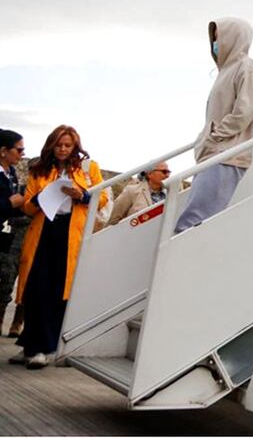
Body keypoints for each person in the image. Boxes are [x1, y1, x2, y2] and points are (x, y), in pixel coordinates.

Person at [12, 125, 106, 369]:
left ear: (75, 147)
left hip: (69, 232)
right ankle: (30, 344)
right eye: (59, 145)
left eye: (68, 145)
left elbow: (102, 196)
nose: (63, 149)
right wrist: (42, 196)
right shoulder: (39, 169)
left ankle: (43, 348)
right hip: (44, 230)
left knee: (56, 290)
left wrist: (81, 195)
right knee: (35, 288)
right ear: (51, 145)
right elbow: (28, 207)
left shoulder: (87, 168)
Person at [174, 18, 253, 234]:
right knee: (194, 220)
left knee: (193, 223)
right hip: (212, 152)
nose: (215, 43)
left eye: (219, 38)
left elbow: (245, 110)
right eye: (214, 39)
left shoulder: (247, 67)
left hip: (225, 153)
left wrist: (216, 135)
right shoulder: (225, 71)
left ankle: (184, 264)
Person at [0, 129, 28, 338]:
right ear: (3, 151)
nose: (22, 154)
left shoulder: (10, 174)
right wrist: (8, 203)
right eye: (19, 149)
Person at [106, 161, 169, 226]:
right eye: (164, 172)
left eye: (168, 172)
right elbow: (113, 220)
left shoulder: (171, 194)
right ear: (150, 174)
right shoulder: (131, 191)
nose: (167, 175)